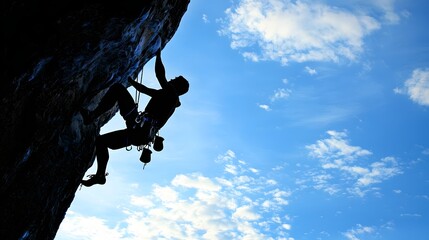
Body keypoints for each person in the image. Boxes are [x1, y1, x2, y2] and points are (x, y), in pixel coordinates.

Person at [80, 50, 189, 187]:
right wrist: (131, 81)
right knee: (101, 141)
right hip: (139, 132)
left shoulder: (171, 96)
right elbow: (145, 90)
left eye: (175, 80)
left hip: (139, 128)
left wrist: (158, 55)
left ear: (177, 87)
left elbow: (160, 75)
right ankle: (100, 175)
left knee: (118, 89)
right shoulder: (167, 98)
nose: (171, 80)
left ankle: (92, 116)